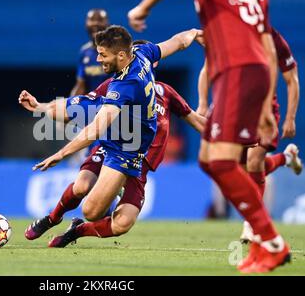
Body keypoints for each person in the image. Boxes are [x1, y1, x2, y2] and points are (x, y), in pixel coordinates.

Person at [128, 0, 290, 273]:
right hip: (251, 72)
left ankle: (271, 243)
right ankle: (261, 244)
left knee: (224, 163)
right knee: (210, 160)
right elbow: (266, 44)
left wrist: (143, 7)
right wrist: (267, 101)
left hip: (237, 72)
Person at [24, 26, 204, 247]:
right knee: (83, 191)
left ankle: (77, 230)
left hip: (136, 156)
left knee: (119, 223)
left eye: (102, 54)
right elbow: (178, 41)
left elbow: (95, 129)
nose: (98, 59)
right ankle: (52, 218)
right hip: (118, 147)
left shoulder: (132, 85)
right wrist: (40, 107)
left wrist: (61, 154)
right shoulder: (140, 55)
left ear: (121, 55)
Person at [197, 27, 303, 242]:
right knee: (246, 168)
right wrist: (202, 103)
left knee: (255, 163)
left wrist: (290, 117)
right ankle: (286, 158)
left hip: (263, 109)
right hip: (232, 108)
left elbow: (292, 79)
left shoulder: (274, 40)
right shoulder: (227, 33)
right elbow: (207, 68)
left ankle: (251, 224)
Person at [70, 9, 111, 96]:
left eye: (100, 20)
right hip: (93, 105)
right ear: (86, 25)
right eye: (92, 20)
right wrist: (68, 105)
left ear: (108, 25)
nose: (95, 23)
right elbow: (81, 85)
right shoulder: (84, 52)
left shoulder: (118, 50)